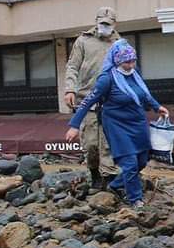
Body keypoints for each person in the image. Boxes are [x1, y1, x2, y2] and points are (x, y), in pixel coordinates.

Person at [65, 39, 168, 209]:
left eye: (133, 61)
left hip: (137, 121)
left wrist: (157, 107)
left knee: (142, 160)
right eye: (126, 62)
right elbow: (87, 102)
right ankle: (136, 200)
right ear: (118, 61)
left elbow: (144, 93)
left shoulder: (135, 73)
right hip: (116, 125)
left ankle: (116, 184)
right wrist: (74, 125)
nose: (130, 65)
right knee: (130, 163)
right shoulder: (107, 79)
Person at [63, 6, 121, 188]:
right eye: (102, 23)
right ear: (96, 22)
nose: (105, 26)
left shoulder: (119, 43)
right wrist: (70, 89)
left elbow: (129, 69)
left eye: (108, 24)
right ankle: (94, 172)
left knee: (108, 143)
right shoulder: (83, 41)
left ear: (114, 24)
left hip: (111, 101)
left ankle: (110, 180)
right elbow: (72, 66)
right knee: (91, 144)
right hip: (87, 98)